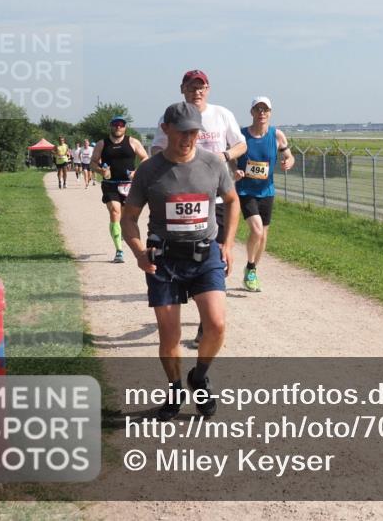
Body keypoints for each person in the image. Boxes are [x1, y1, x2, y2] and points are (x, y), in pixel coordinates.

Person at [121, 102, 238, 420]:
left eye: (193, 132)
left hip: (205, 256)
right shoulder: (149, 170)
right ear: (166, 129)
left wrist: (227, 244)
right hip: (165, 261)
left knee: (216, 325)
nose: (188, 138)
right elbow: (129, 218)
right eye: (182, 131)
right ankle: (173, 392)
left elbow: (232, 200)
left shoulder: (213, 164)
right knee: (169, 336)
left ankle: (198, 377)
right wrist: (138, 252)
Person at [151, 70, 246, 347]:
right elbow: (157, 149)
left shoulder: (222, 114)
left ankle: (206, 323)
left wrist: (224, 156)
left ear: (208, 89)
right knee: (182, 254)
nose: (197, 91)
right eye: (192, 87)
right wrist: (177, 162)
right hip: (179, 200)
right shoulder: (168, 117)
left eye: (202, 87)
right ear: (182, 88)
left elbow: (240, 144)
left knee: (213, 255)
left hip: (214, 199)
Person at [232, 96, 295, 292]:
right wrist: (235, 170)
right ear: (251, 112)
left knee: (263, 235)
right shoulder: (241, 136)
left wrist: (288, 162)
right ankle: (250, 266)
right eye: (258, 109)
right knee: (257, 230)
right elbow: (230, 158)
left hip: (267, 191)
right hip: (245, 190)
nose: (261, 113)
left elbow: (289, 155)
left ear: (270, 113)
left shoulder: (277, 135)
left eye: (265, 110)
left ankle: (252, 271)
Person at [91, 116, 149, 263]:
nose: (118, 127)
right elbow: (93, 162)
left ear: (125, 127)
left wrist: (137, 172)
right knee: (115, 211)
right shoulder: (102, 144)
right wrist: (100, 170)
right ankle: (119, 251)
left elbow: (145, 158)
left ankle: (122, 231)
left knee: (126, 217)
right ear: (111, 126)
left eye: (121, 125)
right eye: (115, 124)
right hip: (110, 184)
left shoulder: (132, 142)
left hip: (129, 185)